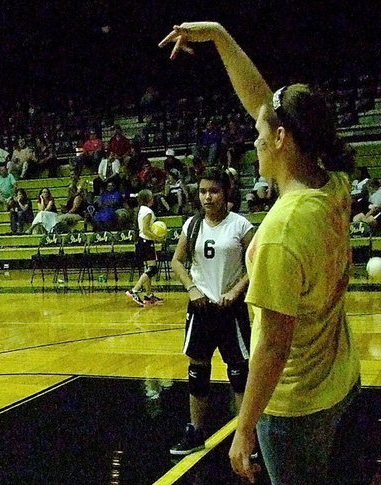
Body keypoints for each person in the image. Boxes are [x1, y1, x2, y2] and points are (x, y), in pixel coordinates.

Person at [161, 22, 361, 484]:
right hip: (342, 381)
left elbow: (272, 345)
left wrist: (244, 428)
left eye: (258, 133)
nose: (253, 141)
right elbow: (264, 103)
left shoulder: (279, 233)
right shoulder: (334, 184)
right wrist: (220, 37)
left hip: (295, 407)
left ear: (282, 140)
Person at [169, 167, 254, 455]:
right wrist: (192, 289)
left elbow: (255, 265)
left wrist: (236, 290)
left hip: (231, 310)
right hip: (201, 309)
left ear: (226, 192)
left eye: (214, 191)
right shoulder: (192, 226)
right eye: (203, 191)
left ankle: (246, 436)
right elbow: (177, 261)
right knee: (197, 370)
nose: (208, 196)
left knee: (239, 373)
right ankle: (196, 431)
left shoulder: (240, 225)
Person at [126, 189, 164, 306]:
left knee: (148, 269)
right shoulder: (147, 211)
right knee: (152, 269)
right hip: (147, 242)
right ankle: (134, 290)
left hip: (142, 242)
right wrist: (157, 238)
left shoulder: (141, 210)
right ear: (148, 199)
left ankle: (149, 295)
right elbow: (146, 230)